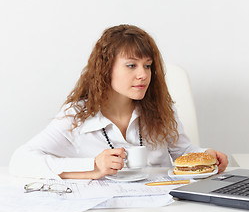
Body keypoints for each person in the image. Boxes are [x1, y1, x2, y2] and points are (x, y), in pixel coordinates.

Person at [9, 24, 228, 180]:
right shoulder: (76, 115)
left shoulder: (161, 108)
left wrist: (207, 156)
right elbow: (21, 161)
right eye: (131, 65)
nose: (143, 74)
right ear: (106, 69)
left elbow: (183, 152)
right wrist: (93, 167)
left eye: (148, 65)